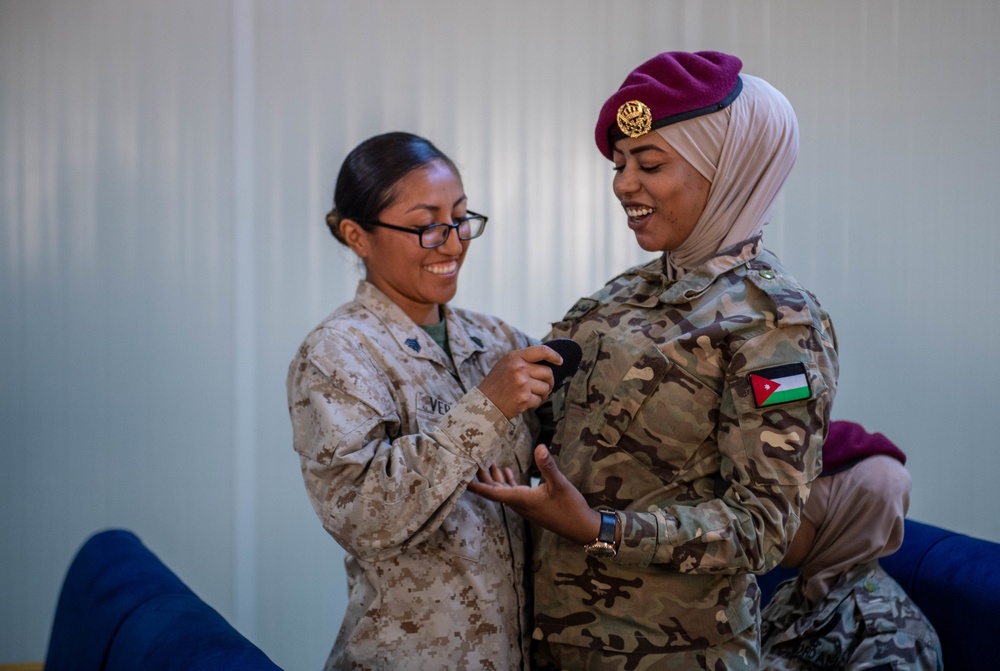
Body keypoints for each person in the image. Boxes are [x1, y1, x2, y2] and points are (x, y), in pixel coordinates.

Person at [468, 51, 839, 669]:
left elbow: (762, 526)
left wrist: (601, 529)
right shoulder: (614, 299)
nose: (623, 184)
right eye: (619, 165)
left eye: (650, 163)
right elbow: (542, 429)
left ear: (725, 169)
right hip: (552, 645)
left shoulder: (775, 321)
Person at [286, 131, 562, 671]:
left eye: (460, 218)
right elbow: (367, 516)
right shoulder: (338, 354)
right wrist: (486, 408)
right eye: (427, 225)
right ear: (357, 236)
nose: (454, 243)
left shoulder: (497, 340)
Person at [760, 421, 943, 670]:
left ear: (842, 518)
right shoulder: (793, 593)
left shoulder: (890, 640)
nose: (775, 521)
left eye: (792, 507)